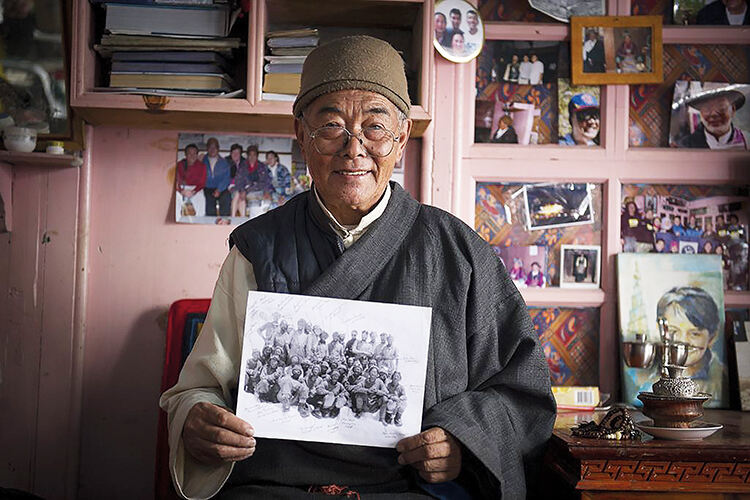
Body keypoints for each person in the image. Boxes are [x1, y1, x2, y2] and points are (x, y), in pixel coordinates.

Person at [160, 35, 555, 499]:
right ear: (301, 134)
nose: (354, 149)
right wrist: (197, 420)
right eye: (331, 125)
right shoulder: (257, 248)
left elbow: (523, 395)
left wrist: (462, 441)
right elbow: (201, 388)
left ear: (402, 137)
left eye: (375, 127)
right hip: (275, 486)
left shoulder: (458, 253)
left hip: (409, 489)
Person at [656, 287, 727, 402]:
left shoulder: (723, 380)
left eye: (694, 333)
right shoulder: (644, 377)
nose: (683, 340)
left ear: (712, 337)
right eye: (673, 331)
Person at [682, 87, 749, 150]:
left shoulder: (747, 140)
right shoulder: (684, 146)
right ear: (700, 112)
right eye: (707, 108)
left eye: (721, 107)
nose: (714, 114)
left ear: (733, 110)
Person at [203, 137, 232, 217]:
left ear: (218, 149)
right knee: (208, 200)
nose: (212, 149)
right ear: (207, 148)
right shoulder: (202, 161)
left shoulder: (224, 162)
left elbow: (226, 178)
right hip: (207, 187)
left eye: (215, 147)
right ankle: (210, 223)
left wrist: (219, 189)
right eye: (210, 147)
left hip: (221, 188)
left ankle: (224, 221)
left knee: (226, 197)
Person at [175, 143, 206, 217]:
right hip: (182, 188)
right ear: (185, 155)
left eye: (194, 153)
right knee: (176, 197)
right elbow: (176, 181)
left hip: (195, 189)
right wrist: (181, 191)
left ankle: (199, 221)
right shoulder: (180, 164)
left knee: (201, 198)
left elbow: (202, 183)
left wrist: (194, 191)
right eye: (190, 153)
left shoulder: (202, 166)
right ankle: (177, 220)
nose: (192, 156)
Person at [228, 144, 250, 217]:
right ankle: (233, 217)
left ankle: (242, 219)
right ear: (231, 153)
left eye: (238, 153)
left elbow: (246, 178)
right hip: (229, 187)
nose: (236, 155)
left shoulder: (245, 163)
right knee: (237, 194)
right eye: (234, 152)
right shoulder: (226, 162)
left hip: (241, 187)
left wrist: (243, 190)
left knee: (241, 197)